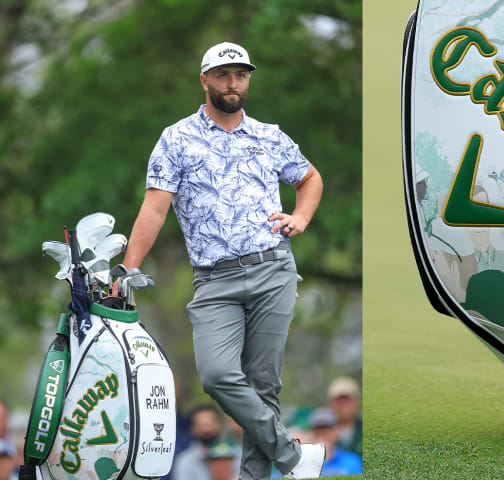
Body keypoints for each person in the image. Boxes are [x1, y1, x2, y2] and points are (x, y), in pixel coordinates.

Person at [119, 42, 325, 480]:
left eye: (241, 75)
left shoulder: (269, 136)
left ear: (248, 80)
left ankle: (260, 475)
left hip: (273, 270)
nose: (233, 83)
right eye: (224, 74)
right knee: (217, 374)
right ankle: (294, 456)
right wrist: (128, 269)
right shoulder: (176, 138)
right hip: (215, 281)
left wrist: (301, 216)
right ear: (205, 79)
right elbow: (154, 209)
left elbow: (308, 178)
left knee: (264, 385)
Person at [173, 405, 226, 480]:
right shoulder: (185, 462)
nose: (207, 429)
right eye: (202, 425)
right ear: (192, 428)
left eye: (211, 423)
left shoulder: (236, 454)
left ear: (220, 425)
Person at [307, 408, 361, 477]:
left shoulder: (352, 462)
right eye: (318, 429)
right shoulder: (302, 462)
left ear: (337, 431)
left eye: (328, 429)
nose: (323, 433)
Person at [326, 377, 362, 455]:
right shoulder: (322, 429)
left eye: (347, 399)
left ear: (357, 401)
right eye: (339, 400)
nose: (343, 405)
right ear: (330, 403)